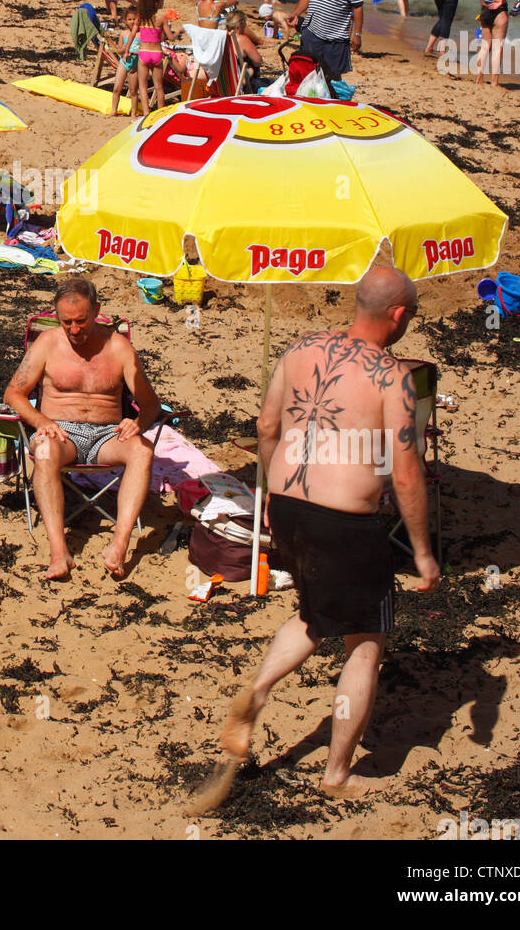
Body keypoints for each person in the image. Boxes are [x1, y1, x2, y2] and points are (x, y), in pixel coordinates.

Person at [190, 268, 439, 809]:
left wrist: (269, 495)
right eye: (412, 316)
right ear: (398, 315)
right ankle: (336, 772)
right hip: (345, 521)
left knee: (312, 614)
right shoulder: (392, 377)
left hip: (288, 508)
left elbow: (264, 425)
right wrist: (421, 551)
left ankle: (256, 691)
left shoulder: (300, 347)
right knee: (365, 644)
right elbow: (405, 472)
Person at [3, 277, 162, 581]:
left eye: (81, 321)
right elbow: (13, 394)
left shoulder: (118, 347)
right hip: (60, 433)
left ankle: (120, 542)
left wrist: (138, 422)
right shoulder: (48, 343)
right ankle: (59, 551)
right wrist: (41, 422)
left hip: (108, 434)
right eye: (67, 322)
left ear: (97, 310)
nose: (75, 330)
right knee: (46, 451)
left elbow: (151, 404)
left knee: (143, 449)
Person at [476, 0, 511, 86]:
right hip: (498, 12)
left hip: (485, 10)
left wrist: (484, 9)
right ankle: (495, 81)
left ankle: (479, 77)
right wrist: (500, 2)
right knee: (498, 47)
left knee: (485, 46)